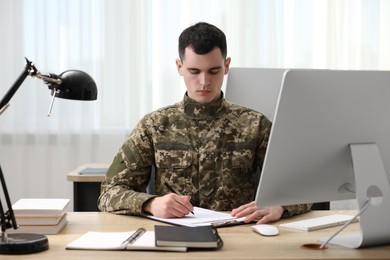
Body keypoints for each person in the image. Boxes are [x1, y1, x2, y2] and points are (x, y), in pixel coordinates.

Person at [98, 22, 311, 224]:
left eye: (213, 71)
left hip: (239, 235)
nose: (204, 82)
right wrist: (150, 203)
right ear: (179, 66)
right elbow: (109, 192)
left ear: (226, 66)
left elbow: (303, 186)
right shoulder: (154, 125)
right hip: (174, 235)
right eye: (194, 71)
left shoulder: (255, 125)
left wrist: (281, 206)